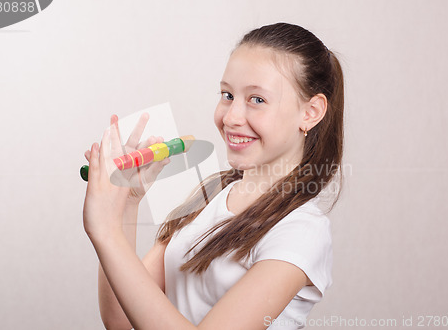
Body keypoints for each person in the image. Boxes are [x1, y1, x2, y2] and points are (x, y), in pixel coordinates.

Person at [83, 22, 344, 329]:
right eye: (227, 95)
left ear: (310, 112)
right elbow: (120, 320)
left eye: (257, 99)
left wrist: (106, 232)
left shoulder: (301, 231)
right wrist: (127, 204)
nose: (231, 117)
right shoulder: (211, 195)